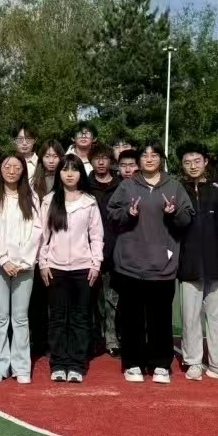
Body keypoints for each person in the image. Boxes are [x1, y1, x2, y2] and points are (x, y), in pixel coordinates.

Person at [107, 140, 194, 384]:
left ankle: (160, 364)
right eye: (144, 155)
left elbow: (187, 219)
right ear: (139, 161)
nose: (149, 159)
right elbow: (112, 215)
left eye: (154, 155)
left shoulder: (174, 186)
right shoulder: (127, 186)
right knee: (132, 317)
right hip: (130, 264)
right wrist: (128, 213)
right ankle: (133, 363)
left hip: (162, 265)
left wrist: (174, 212)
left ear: (161, 159)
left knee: (160, 318)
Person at [175, 142, 218, 383]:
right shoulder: (177, 192)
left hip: (217, 266)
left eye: (197, 161)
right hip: (189, 267)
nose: (192, 166)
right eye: (187, 162)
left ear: (206, 162)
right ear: (182, 165)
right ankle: (193, 361)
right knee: (190, 318)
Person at [40, 155, 104, 383]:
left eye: (74, 169)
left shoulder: (89, 202)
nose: (69, 174)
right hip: (55, 268)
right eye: (65, 169)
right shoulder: (49, 201)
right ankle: (58, 364)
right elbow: (43, 236)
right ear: (58, 173)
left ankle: (77, 364)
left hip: (83, 268)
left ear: (80, 174)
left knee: (79, 318)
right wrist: (43, 263)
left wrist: (96, 263)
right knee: (58, 318)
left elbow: (96, 236)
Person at [0, 153, 42, 383]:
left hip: (24, 267)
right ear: (0, 169)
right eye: (7, 166)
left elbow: (37, 231)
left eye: (17, 167)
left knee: (20, 317)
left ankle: (21, 367)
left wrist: (24, 261)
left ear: (23, 170)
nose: (12, 171)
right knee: (0, 317)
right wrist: (3, 260)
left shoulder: (31, 198)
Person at [29, 139, 63, 355]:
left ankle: (55, 342)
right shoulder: (33, 183)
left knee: (56, 301)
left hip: (59, 249)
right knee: (37, 300)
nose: (51, 160)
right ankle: (39, 341)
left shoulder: (67, 181)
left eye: (55, 156)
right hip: (35, 249)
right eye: (47, 156)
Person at [87, 143, 120, 358]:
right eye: (96, 158)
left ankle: (112, 338)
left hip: (114, 251)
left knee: (112, 300)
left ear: (111, 161)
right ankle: (94, 338)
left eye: (105, 158)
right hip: (88, 252)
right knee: (92, 300)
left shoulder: (120, 186)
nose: (100, 162)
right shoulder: (84, 186)